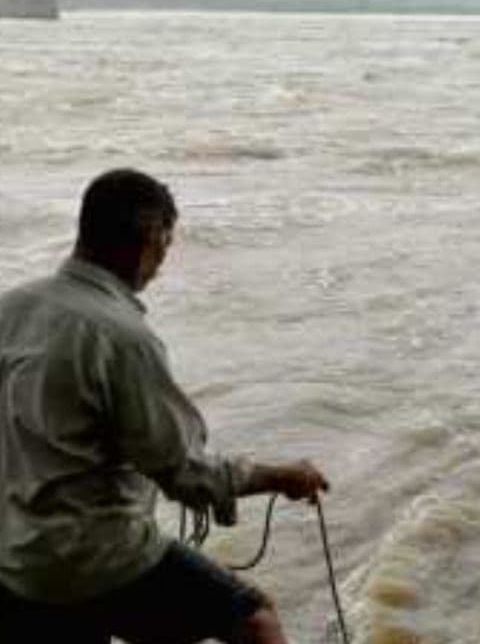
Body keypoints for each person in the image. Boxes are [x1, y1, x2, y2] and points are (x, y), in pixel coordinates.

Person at [0, 168, 329, 643]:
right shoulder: (123, 337)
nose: (161, 266)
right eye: (166, 247)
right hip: (99, 564)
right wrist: (281, 476)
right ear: (152, 240)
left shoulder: (9, 310)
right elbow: (186, 472)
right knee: (255, 621)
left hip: (17, 563)